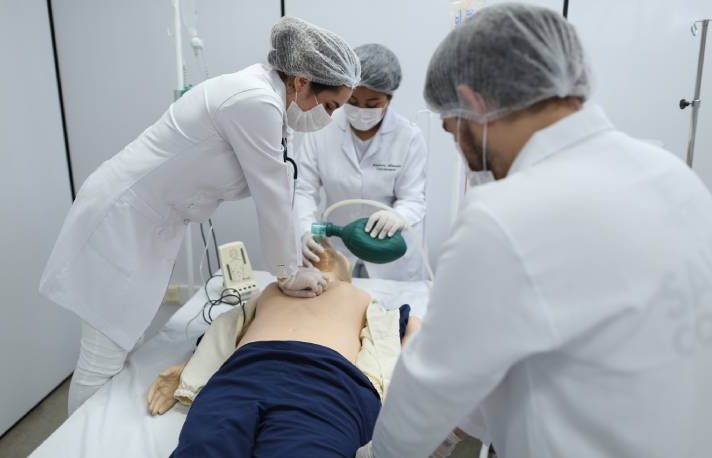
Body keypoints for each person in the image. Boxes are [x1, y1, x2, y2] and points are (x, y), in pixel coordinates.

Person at [359, 4, 712, 458]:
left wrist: (375, 454)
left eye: (453, 130)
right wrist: (458, 430)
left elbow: (425, 394)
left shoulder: (505, 215)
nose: (462, 152)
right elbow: (552, 349)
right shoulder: (671, 174)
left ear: (474, 102)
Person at [39, 17, 361, 415]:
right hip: (122, 219)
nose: (327, 116)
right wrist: (288, 272)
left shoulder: (273, 105)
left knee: (123, 340)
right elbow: (271, 195)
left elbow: (282, 182)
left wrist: (295, 249)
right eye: (328, 104)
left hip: (149, 223)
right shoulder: (254, 100)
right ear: (301, 80)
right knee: (102, 353)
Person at [146, 243, 423, 457]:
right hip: (242, 375)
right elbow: (226, 331)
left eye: (330, 253)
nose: (319, 252)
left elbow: (412, 326)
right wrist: (190, 370)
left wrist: (405, 381)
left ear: (345, 270)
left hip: (325, 384)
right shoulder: (272, 290)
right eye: (307, 255)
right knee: (203, 448)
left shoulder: (358, 297)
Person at [295, 43, 428, 280]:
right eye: (353, 101)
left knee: (391, 314)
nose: (361, 110)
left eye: (373, 104)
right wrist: (305, 230)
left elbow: (413, 199)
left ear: (389, 98)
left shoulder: (408, 137)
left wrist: (399, 216)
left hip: (390, 256)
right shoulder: (321, 128)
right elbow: (303, 190)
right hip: (337, 250)